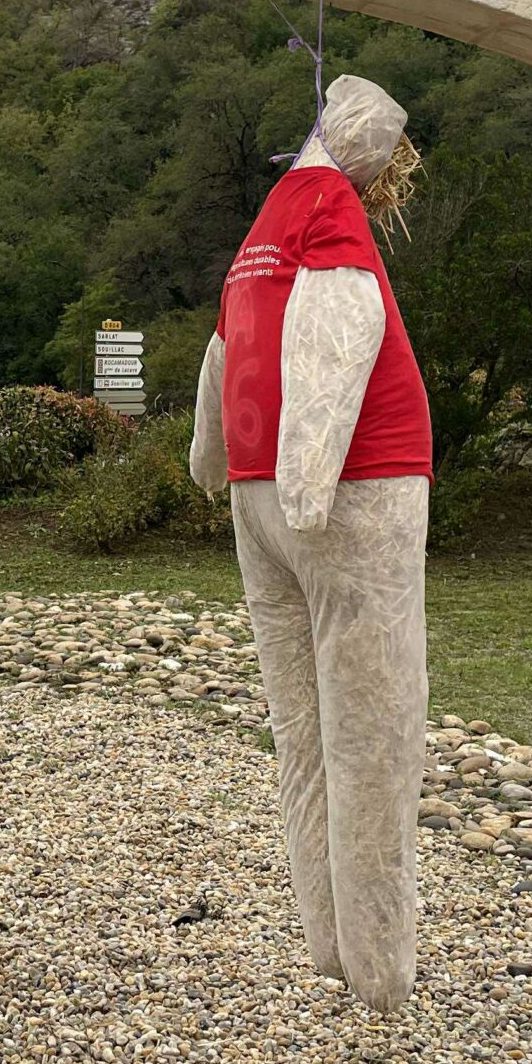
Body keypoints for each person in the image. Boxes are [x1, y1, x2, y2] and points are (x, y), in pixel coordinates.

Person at [190, 74, 433, 1012]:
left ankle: (331, 944)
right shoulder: (332, 208)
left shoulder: (268, 220)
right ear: (378, 152)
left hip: (259, 494)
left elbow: (225, 345)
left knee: (304, 733)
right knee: (373, 732)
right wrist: (311, 471)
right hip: (348, 495)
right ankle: (381, 969)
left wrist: (215, 458)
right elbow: (341, 326)